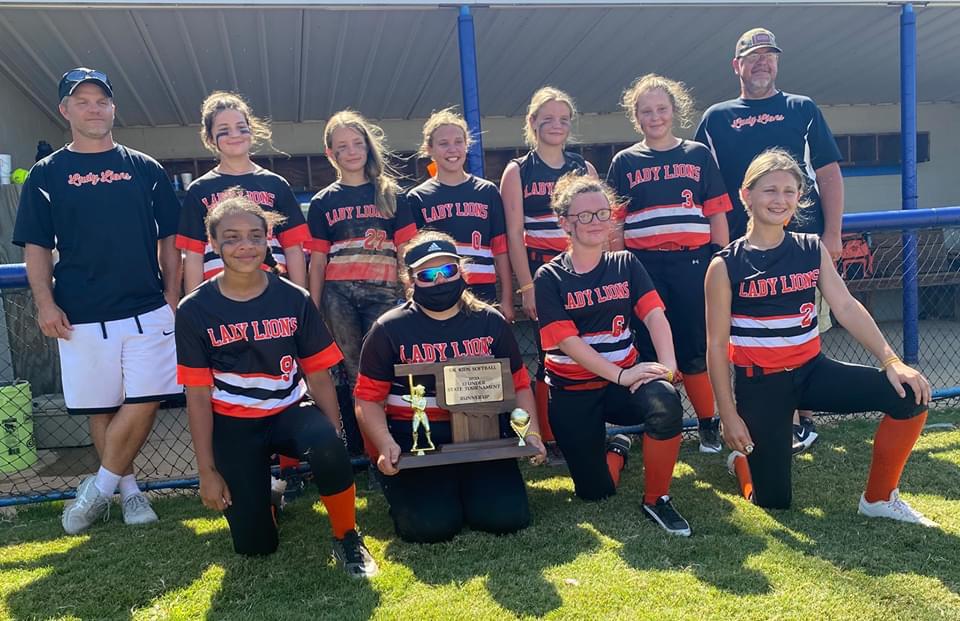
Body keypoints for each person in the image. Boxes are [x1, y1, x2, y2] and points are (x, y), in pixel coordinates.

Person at [705, 149, 936, 526]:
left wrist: (891, 361)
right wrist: (728, 416)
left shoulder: (810, 248)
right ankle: (744, 463)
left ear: (800, 197)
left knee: (909, 395)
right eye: (769, 191)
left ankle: (878, 498)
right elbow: (715, 347)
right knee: (773, 503)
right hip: (761, 387)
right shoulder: (725, 264)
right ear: (745, 195)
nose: (779, 200)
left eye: (789, 191)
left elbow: (845, 306)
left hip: (812, 371)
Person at [13, 68, 181, 533]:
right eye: (81, 101)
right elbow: (36, 248)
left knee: (146, 400)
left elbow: (170, 238)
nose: (93, 108)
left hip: (147, 308)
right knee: (102, 407)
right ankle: (129, 492)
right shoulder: (46, 174)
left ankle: (98, 488)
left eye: (101, 101)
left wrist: (170, 295)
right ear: (65, 110)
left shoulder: (145, 167)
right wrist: (45, 304)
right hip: (81, 314)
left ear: (113, 108)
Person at [175, 196, 380, 574]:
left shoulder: (292, 297)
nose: (245, 246)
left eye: (255, 236)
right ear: (214, 243)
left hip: (288, 412)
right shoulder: (193, 310)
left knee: (326, 441)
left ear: (268, 239)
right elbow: (199, 397)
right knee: (256, 548)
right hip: (233, 424)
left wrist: (332, 437)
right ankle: (264, 494)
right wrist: (207, 471)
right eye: (232, 238)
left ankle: (347, 535)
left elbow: (318, 373)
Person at [695, 27, 845, 449]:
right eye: (752, 55)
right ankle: (752, 414)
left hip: (803, 242)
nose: (762, 62)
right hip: (745, 249)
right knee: (749, 332)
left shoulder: (803, 108)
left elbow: (830, 173)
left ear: (777, 62)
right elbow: (706, 187)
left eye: (769, 55)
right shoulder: (716, 117)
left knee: (804, 324)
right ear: (736, 65)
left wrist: (832, 233)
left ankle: (805, 418)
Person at [354, 231, 546, 543]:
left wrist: (531, 432)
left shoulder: (490, 321)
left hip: (483, 437)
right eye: (428, 274)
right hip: (419, 442)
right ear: (410, 279)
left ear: (462, 271)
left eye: (448, 271)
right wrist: (385, 443)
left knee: (506, 519)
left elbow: (520, 384)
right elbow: (367, 398)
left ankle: (471, 488)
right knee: (432, 528)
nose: (440, 281)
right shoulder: (388, 328)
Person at [534, 174, 691, 536]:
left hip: (622, 384)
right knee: (595, 493)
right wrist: (621, 375)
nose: (595, 222)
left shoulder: (626, 263)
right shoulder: (549, 276)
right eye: (583, 216)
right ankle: (618, 448)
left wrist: (667, 366)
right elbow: (569, 343)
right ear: (564, 223)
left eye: (602, 213)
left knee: (665, 400)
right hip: (573, 391)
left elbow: (654, 315)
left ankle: (657, 499)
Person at [606, 74, 732, 454]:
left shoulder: (697, 154)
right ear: (636, 117)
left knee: (695, 347)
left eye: (662, 109)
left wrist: (720, 258)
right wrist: (620, 266)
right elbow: (617, 223)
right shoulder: (624, 161)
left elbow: (716, 212)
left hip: (694, 262)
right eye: (646, 111)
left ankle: (708, 424)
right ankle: (658, 423)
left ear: (674, 111)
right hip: (643, 265)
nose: (655, 116)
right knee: (647, 346)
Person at [307, 110, 416, 454]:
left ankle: (396, 444)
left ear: (368, 147)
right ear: (331, 154)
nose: (352, 151)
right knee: (354, 374)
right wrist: (313, 303)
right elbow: (319, 259)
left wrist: (409, 292)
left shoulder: (393, 194)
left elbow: (406, 250)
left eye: (358, 143)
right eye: (343, 146)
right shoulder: (324, 201)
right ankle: (369, 454)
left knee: (386, 370)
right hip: (338, 296)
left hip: (384, 294)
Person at [500, 86, 599, 456]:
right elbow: (513, 233)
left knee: (590, 345)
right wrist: (526, 285)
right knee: (550, 355)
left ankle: (588, 428)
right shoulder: (518, 170)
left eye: (563, 119)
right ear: (532, 123)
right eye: (548, 119)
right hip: (543, 272)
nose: (556, 125)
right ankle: (550, 437)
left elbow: (596, 223)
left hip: (583, 269)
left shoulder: (583, 167)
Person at [177, 91, 309, 293]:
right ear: (210, 138)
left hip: (273, 290)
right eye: (224, 129)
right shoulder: (199, 190)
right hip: (220, 296)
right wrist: (193, 307)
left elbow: (293, 249)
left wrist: (302, 301)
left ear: (251, 130)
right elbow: (194, 256)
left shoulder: (275, 184)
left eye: (241, 127)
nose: (235, 134)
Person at [404, 108, 513, 317]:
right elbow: (411, 257)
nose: (452, 149)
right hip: (440, 289)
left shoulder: (487, 191)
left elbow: (500, 250)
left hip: (483, 289)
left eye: (458, 142)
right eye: (443, 143)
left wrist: (507, 298)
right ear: (429, 149)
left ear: (467, 145)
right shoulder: (417, 197)